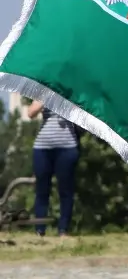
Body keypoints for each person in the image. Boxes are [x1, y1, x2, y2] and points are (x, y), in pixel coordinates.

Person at [27, 100, 81, 237]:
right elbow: (30, 113)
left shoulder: (71, 92)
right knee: (42, 190)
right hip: (42, 148)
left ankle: (63, 230)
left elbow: (82, 117)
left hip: (67, 147)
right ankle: (40, 230)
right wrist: (45, 98)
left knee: (66, 190)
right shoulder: (43, 91)